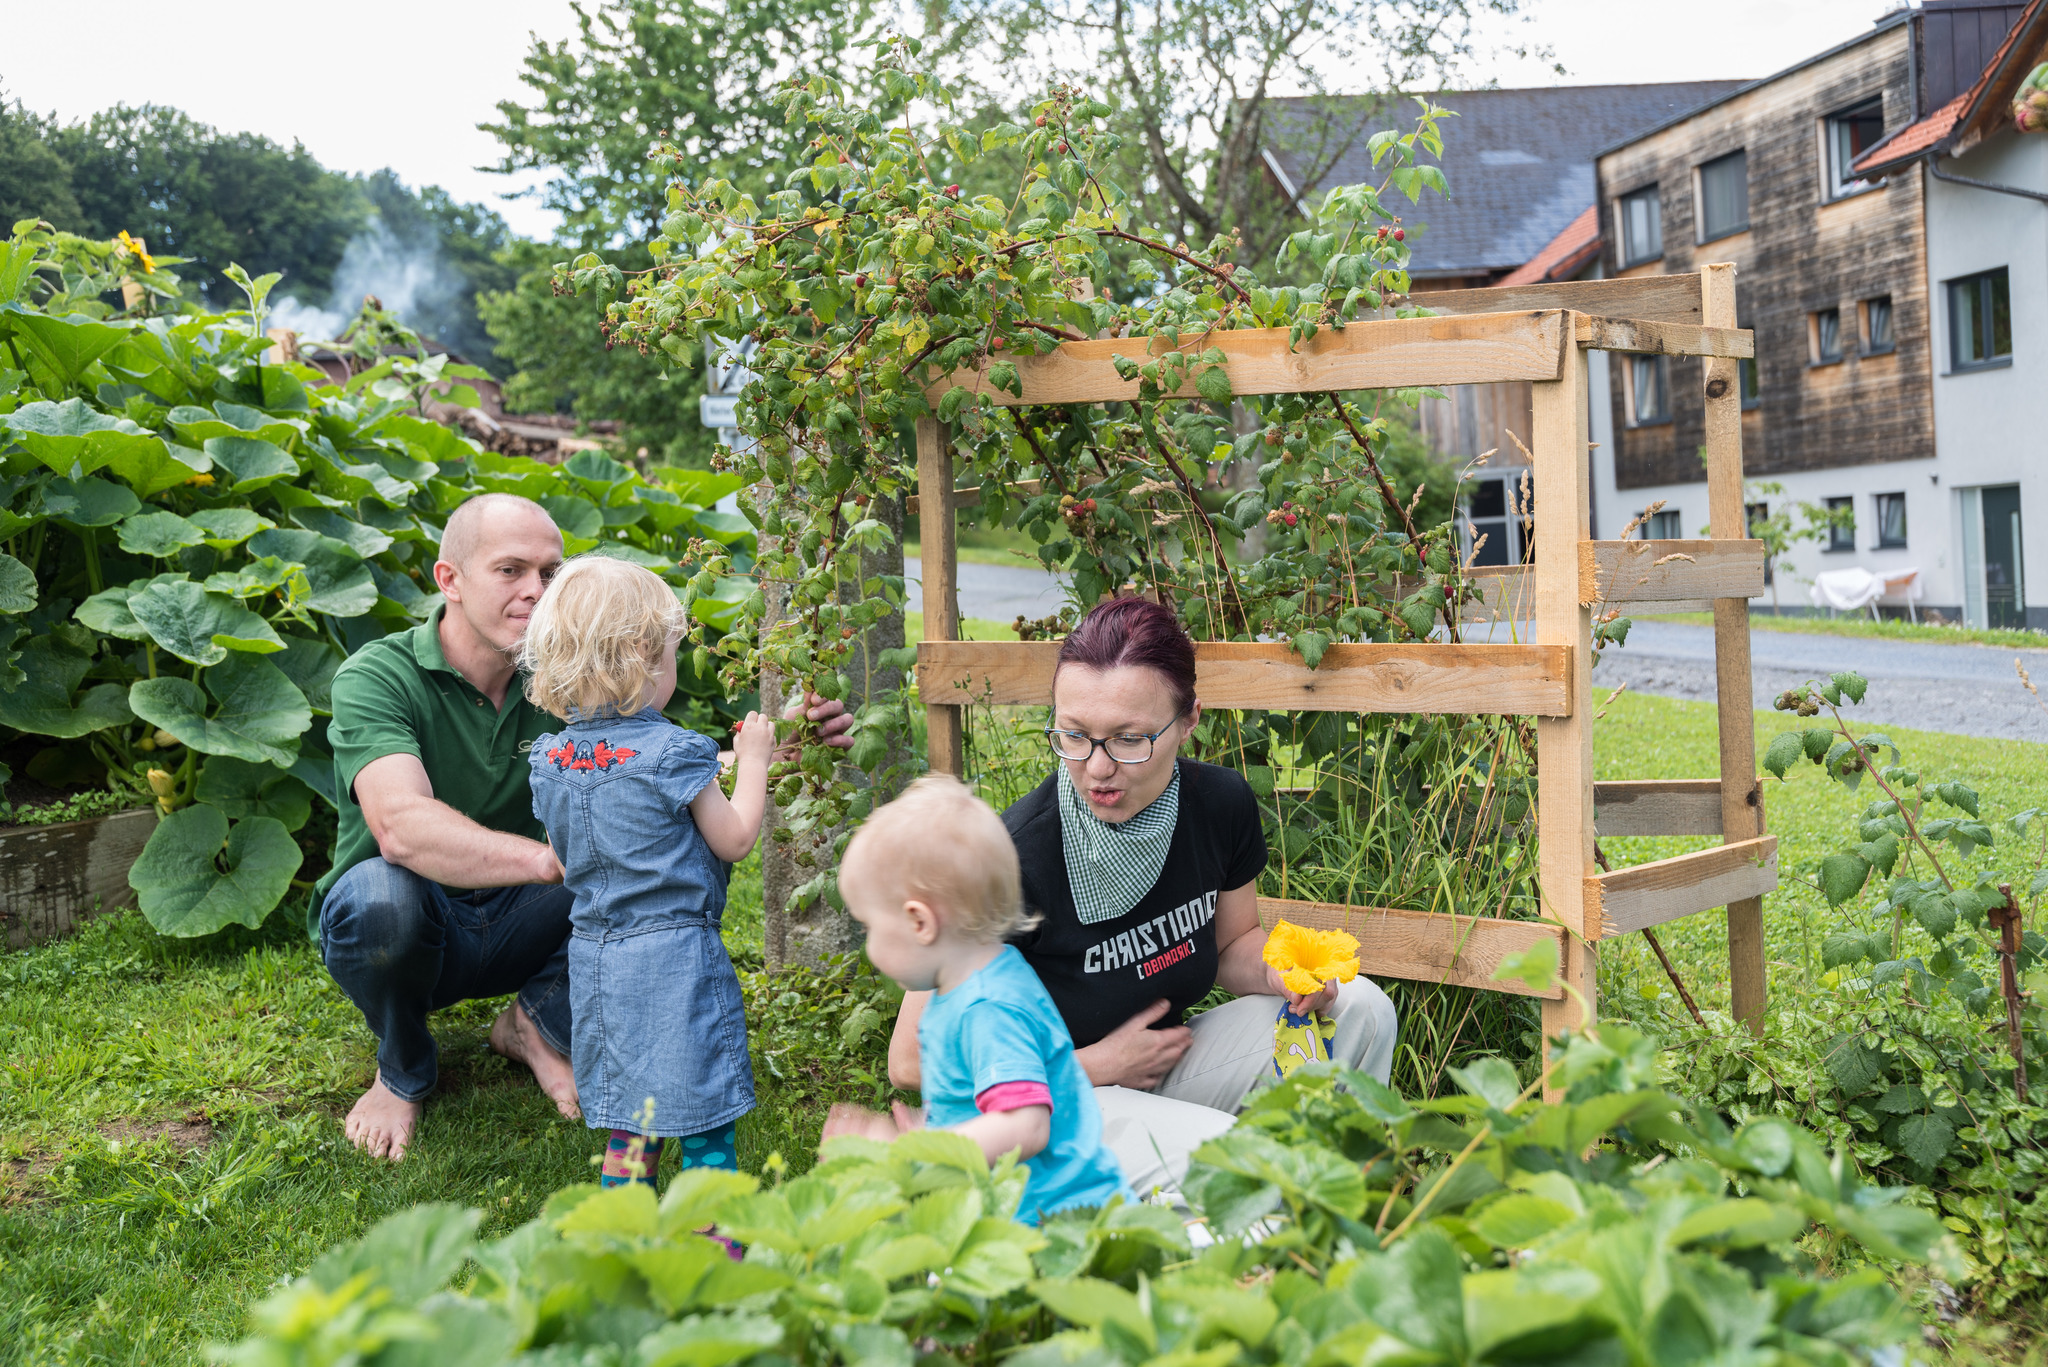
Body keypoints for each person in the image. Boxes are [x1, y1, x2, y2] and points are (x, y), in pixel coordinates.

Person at [318, 492, 850, 1161]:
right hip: (423, 921)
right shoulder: (382, 674)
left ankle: (535, 1024)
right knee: (377, 897)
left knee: (656, 858)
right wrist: (555, 861)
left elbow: (649, 777)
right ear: (448, 579)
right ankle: (402, 1065)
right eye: (510, 570)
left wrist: (771, 753)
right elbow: (400, 826)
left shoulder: (572, 680)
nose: (536, 589)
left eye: (550, 571)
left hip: (534, 916)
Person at [887, 598, 1399, 1195]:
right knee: (1235, 1168)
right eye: (1074, 735)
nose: (1097, 767)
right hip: (1042, 1108)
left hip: (1156, 1065)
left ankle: (1340, 1205)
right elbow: (912, 1063)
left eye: (1129, 739)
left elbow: (1233, 942)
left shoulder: (1219, 805)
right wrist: (1098, 1066)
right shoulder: (1003, 861)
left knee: (1359, 1008)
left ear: (1188, 721)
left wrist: (1283, 972)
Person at [522, 556, 769, 1187]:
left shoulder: (551, 759)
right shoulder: (675, 751)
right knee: (705, 1111)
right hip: (674, 955)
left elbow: (560, 853)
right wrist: (755, 760)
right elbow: (735, 837)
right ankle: (717, 1242)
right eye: (669, 652)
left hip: (598, 958)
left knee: (633, 1118)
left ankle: (621, 1239)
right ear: (641, 655)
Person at [825, 776, 1127, 1224]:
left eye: (869, 927)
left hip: (1056, 1224)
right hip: (1022, 1213)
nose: (869, 947)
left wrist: (913, 1152)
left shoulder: (988, 1007)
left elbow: (1025, 1125)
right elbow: (983, 1101)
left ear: (919, 923)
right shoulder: (975, 982)